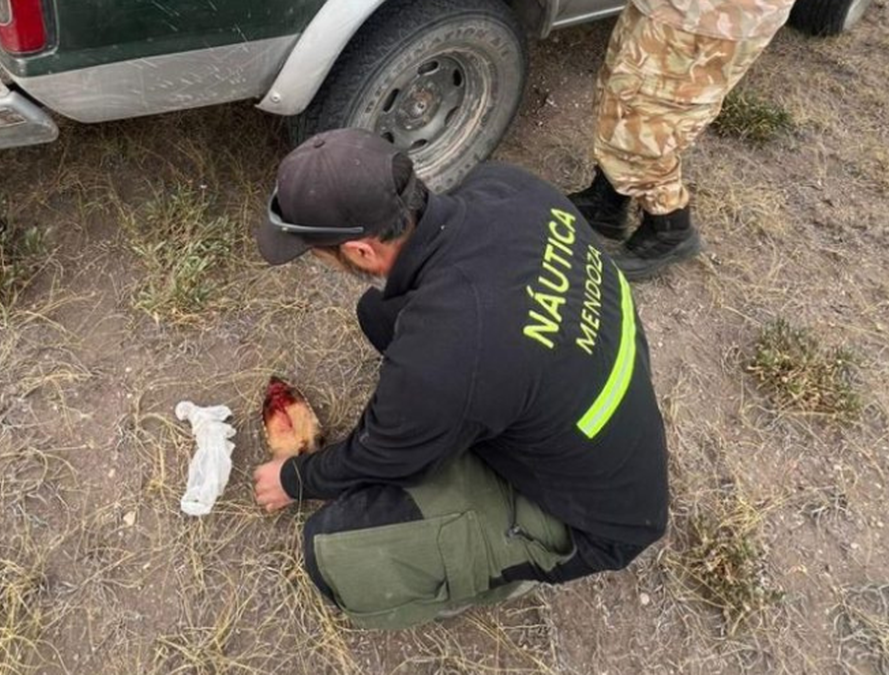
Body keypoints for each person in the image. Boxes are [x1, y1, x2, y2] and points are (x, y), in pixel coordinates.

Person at [251, 129, 669, 630]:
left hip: (601, 520)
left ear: (361, 251)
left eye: (316, 252)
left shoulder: (449, 346)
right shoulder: (505, 186)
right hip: (588, 399)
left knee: (338, 552)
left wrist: (295, 478)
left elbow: (384, 458)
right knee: (380, 312)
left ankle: (515, 558)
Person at [570, 0, 796, 280]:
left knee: (649, 121)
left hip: (709, 16)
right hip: (669, 8)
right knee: (619, 95)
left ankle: (668, 228)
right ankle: (608, 201)